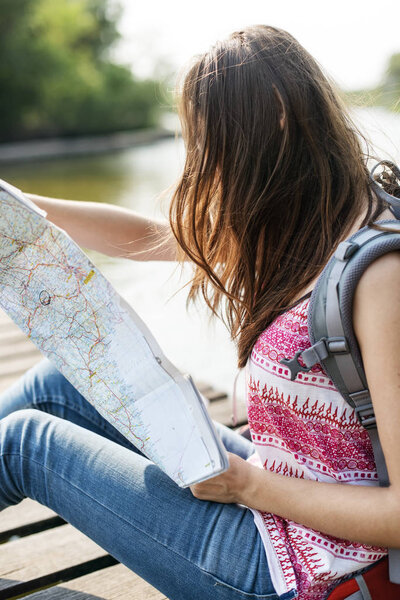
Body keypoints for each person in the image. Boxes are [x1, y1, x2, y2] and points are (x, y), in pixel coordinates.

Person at [0, 24, 399, 600]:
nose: (202, 161)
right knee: (59, 385)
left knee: (24, 442)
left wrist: (245, 485)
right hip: (287, 510)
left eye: (211, 140)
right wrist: (23, 207)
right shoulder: (306, 221)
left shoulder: (381, 277)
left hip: (318, 575)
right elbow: (150, 236)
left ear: (279, 117)